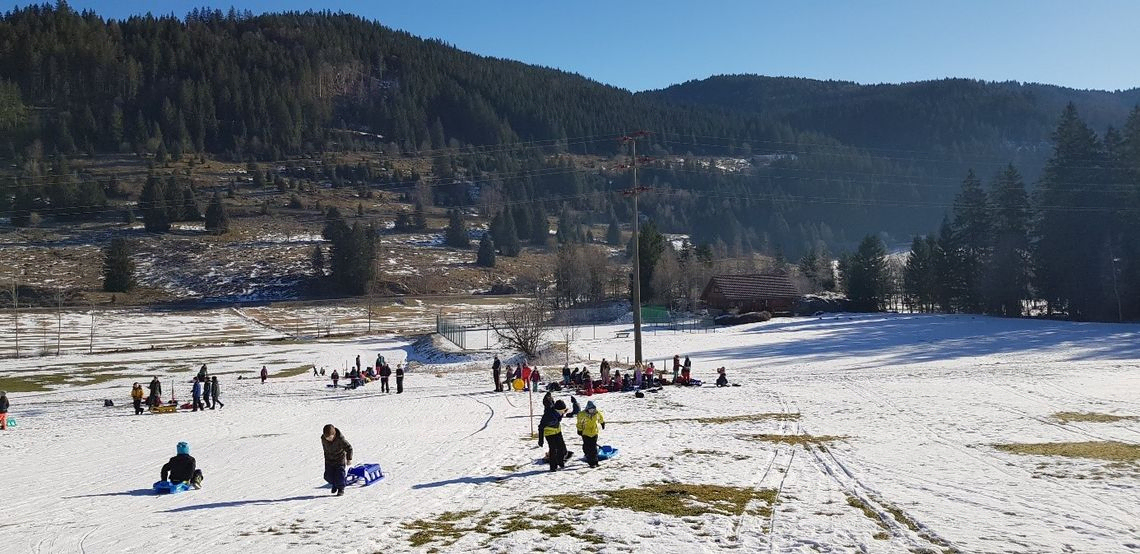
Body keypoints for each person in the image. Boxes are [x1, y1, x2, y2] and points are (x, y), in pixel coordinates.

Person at [321, 424, 353, 496]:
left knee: (340, 476)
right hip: (329, 460)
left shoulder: (340, 439)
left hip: (339, 460)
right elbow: (325, 450)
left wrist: (349, 459)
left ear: (334, 434)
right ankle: (334, 484)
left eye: (330, 437)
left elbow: (349, 448)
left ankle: (341, 489)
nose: (328, 439)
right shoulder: (323, 439)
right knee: (328, 476)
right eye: (327, 438)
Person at [538, 400, 569, 472]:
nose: (563, 412)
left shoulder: (559, 413)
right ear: (557, 410)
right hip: (549, 434)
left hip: (557, 431)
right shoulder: (548, 416)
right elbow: (541, 427)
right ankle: (553, 466)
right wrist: (541, 440)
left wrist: (563, 413)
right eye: (562, 411)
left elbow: (558, 420)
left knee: (561, 448)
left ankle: (560, 462)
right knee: (553, 449)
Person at [577, 400, 606, 468]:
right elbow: (579, 423)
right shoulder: (582, 415)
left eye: (593, 410)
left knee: (593, 448)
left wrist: (602, 423)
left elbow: (600, 417)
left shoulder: (597, 413)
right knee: (589, 447)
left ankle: (595, 461)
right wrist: (579, 430)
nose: (592, 411)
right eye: (590, 410)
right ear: (587, 409)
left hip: (594, 432)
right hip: (585, 433)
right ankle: (591, 462)